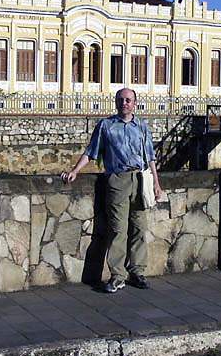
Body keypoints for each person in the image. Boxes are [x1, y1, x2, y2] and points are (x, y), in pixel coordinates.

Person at [61, 88, 163, 294]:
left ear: (135, 103)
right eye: (121, 100)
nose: (124, 103)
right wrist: (75, 171)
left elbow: (150, 157)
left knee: (139, 228)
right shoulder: (106, 126)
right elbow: (91, 152)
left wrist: (157, 184)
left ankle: (137, 271)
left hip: (140, 178)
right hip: (117, 180)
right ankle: (118, 275)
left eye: (128, 100)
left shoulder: (142, 126)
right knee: (118, 230)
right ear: (116, 103)